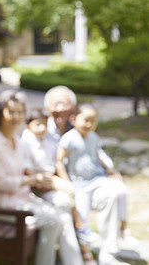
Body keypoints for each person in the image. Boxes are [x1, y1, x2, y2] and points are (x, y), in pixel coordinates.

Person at [0, 90, 83, 265]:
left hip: (22, 199)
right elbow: (0, 184)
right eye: (11, 112)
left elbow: (24, 171)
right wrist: (31, 180)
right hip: (2, 204)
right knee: (52, 220)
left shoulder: (16, 141)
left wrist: (38, 178)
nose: (16, 117)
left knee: (62, 216)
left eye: (19, 112)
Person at [56, 104, 137, 265]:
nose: (89, 124)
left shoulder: (93, 137)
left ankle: (110, 252)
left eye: (93, 121)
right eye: (86, 120)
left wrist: (110, 169)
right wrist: (67, 184)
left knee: (115, 192)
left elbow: (99, 155)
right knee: (81, 220)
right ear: (74, 119)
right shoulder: (68, 138)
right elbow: (59, 161)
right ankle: (85, 255)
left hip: (97, 180)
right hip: (79, 185)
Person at [22, 108, 97, 265]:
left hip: (49, 183)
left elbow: (55, 161)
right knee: (61, 208)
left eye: (44, 124)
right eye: (37, 124)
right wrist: (39, 180)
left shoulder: (48, 139)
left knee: (64, 202)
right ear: (28, 126)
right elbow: (26, 171)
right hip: (35, 187)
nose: (42, 128)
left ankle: (73, 258)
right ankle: (75, 252)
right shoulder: (26, 142)